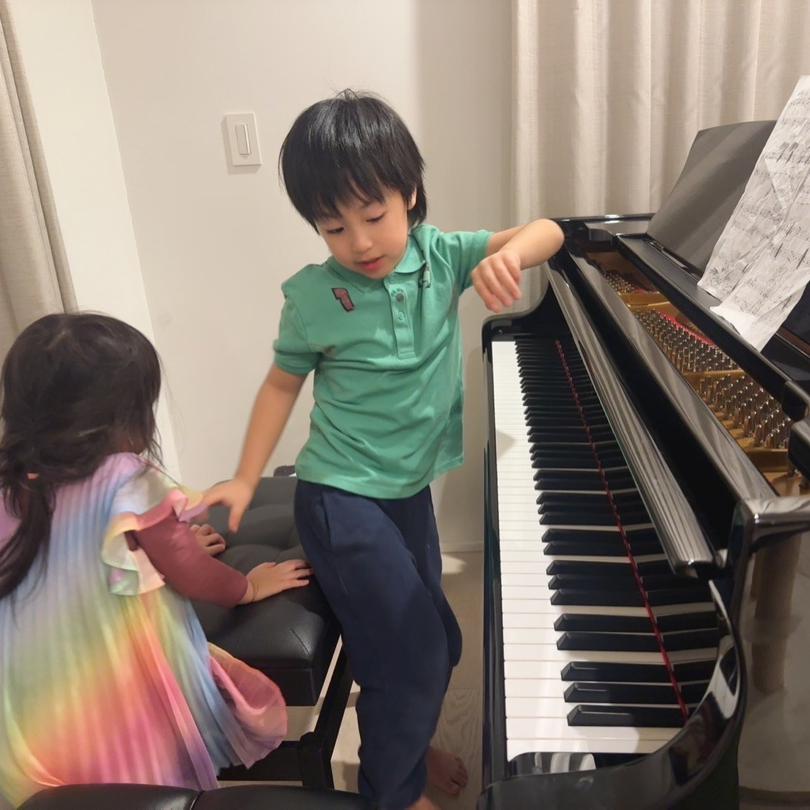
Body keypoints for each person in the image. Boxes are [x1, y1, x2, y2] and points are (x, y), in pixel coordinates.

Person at [205, 90, 564, 810]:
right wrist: (245, 477)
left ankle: (406, 739)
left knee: (434, 641)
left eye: (374, 216)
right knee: (415, 650)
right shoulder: (313, 297)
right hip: (340, 499)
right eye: (334, 227)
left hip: (405, 494)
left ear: (410, 196)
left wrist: (510, 257)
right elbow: (280, 385)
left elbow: (549, 229)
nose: (360, 243)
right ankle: (393, 793)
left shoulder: (443, 257)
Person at [0, 313, 312, 809]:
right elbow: (194, 575)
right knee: (143, 770)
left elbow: (72, 559)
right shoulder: (128, 480)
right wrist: (248, 587)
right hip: (113, 677)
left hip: (29, 689)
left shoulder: (12, 482)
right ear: (126, 417)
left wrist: (154, 551)